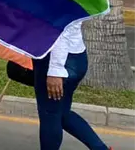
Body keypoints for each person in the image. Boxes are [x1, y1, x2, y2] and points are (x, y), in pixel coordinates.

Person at [33, 21, 112, 150]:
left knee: (50, 115)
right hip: (75, 56)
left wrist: (55, 70)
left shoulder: (60, 0)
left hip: (58, 59)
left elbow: (60, 27)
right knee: (62, 114)